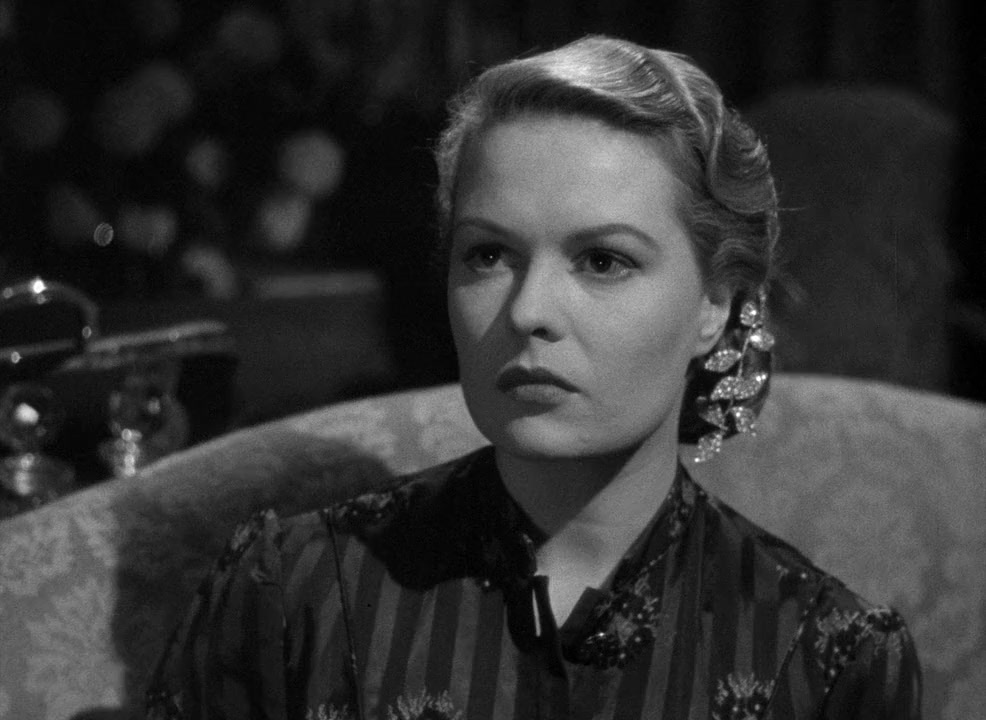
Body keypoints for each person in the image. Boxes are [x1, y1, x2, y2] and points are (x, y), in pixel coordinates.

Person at [146, 35, 921, 719]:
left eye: (603, 261)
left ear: (714, 303)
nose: (527, 311)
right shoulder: (293, 595)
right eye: (489, 255)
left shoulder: (824, 658)